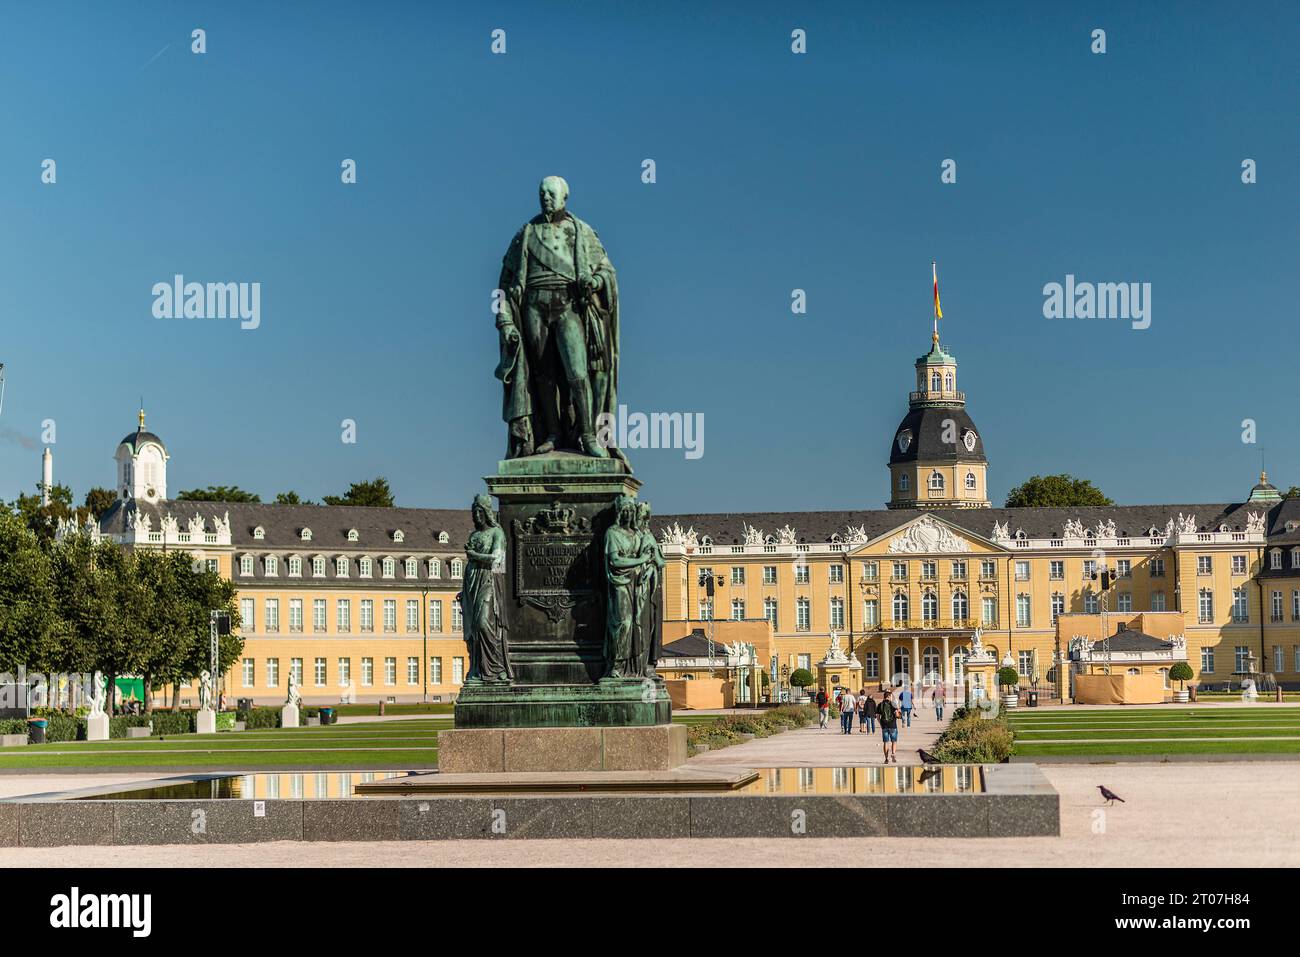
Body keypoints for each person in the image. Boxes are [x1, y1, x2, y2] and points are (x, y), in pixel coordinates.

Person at [878, 689, 900, 763]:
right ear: (889, 696)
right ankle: (893, 753)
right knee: (894, 741)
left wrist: (881, 724)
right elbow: (897, 715)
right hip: (892, 725)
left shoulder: (880, 704)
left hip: (884, 725)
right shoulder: (893, 704)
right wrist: (899, 715)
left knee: (886, 742)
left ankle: (886, 758)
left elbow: (878, 717)